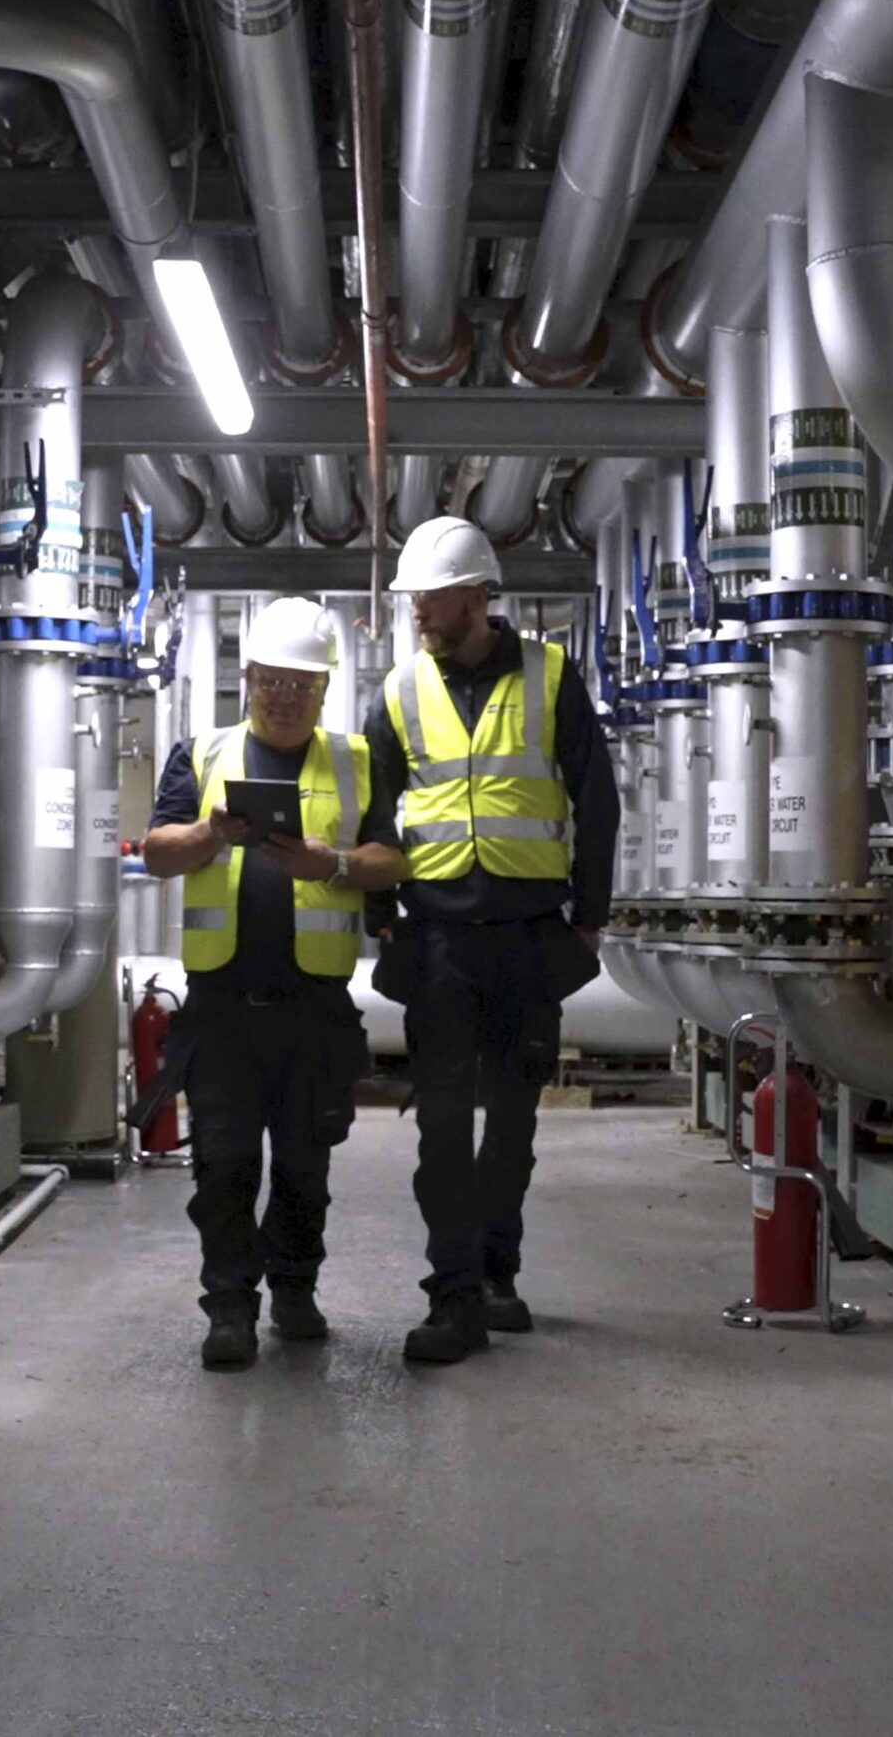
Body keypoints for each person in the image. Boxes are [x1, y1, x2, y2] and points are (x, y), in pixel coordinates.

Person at [366, 516, 620, 1364]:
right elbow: (373, 810)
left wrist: (589, 916)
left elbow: (597, 798)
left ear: (476, 595)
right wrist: (380, 918)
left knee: (512, 1119)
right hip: (437, 934)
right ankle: (453, 1294)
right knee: (440, 1124)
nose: (416, 614)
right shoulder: (400, 691)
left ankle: (498, 1270)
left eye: (428, 598)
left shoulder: (552, 677)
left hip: (526, 933)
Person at [142, 597, 405, 1370]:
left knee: (303, 1162)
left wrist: (334, 863)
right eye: (271, 680)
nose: (285, 695)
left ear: (324, 688)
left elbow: (395, 856)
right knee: (221, 1164)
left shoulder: (358, 761)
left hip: (313, 1008)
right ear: (246, 676)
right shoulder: (201, 753)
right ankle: (229, 1307)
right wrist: (210, 834)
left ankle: (294, 1288)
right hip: (222, 1007)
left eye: (302, 683)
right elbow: (158, 851)